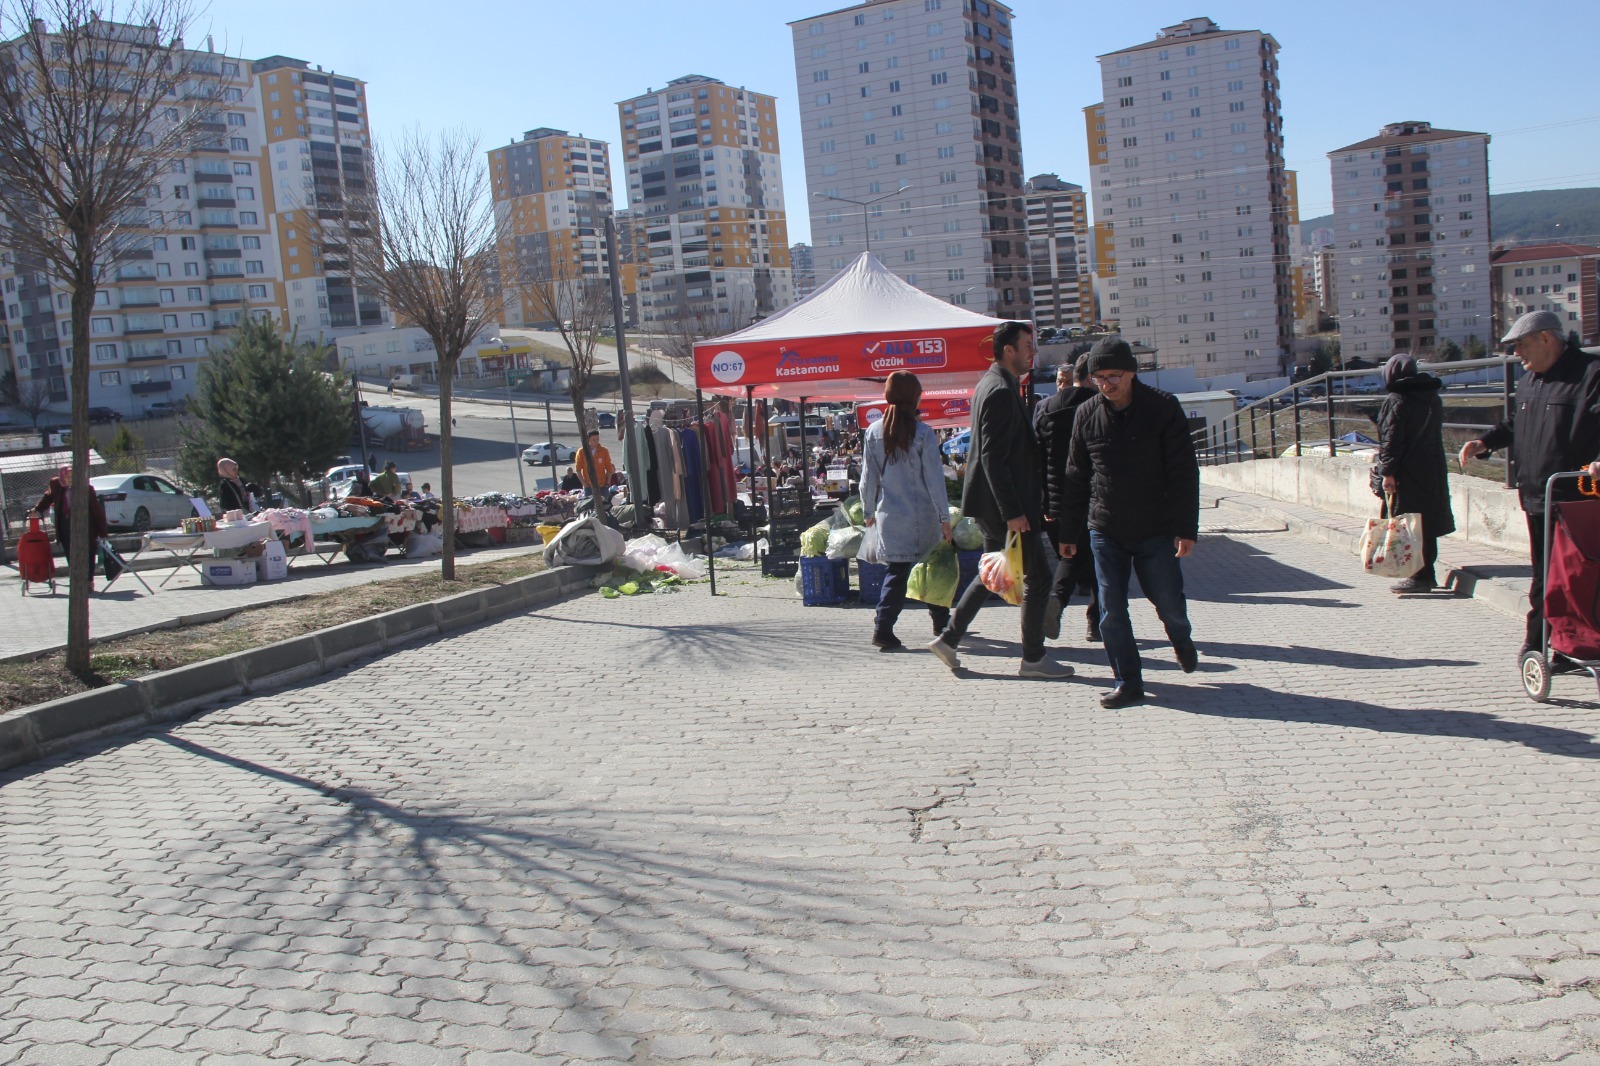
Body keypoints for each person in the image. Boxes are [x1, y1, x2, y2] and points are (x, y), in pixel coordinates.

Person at [927, 321, 1073, 679]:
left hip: (998, 505)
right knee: (1037, 579)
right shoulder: (998, 390)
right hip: (1005, 508)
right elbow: (993, 457)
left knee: (994, 573)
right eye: (1027, 346)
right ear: (1008, 350)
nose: (1032, 352)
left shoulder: (996, 384)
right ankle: (1034, 659)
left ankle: (948, 638)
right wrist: (1013, 511)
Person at [1061, 336, 1200, 708]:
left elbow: (1184, 472)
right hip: (1105, 529)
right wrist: (1068, 531)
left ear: (1132, 372)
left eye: (1114, 376)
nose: (1107, 384)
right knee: (1110, 609)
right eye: (1099, 378)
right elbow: (1075, 475)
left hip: (1156, 528)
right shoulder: (1087, 414)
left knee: (1169, 602)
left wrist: (1186, 529)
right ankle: (1128, 682)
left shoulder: (1163, 408)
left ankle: (1181, 639)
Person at [1459, 310, 1600, 653]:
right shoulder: (1529, 379)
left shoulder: (1589, 373)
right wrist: (1485, 442)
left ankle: (1565, 645)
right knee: (1543, 576)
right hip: (1536, 496)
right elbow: (1514, 424)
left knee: (1575, 578)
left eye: (1520, 345)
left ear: (1546, 339)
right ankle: (1542, 645)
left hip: (1574, 497)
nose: (1515, 354)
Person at [861, 371, 954, 651]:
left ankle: (883, 627)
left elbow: (868, 478)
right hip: (923, 517)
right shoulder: (923, 433)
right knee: (932, 570)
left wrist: (867, 511)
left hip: (891, 517)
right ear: (914, 396)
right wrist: (944, 518)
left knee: (897, 574)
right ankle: (942, 625)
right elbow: (934, 481)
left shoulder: (873, 432)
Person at [1372, 354, 1456, 593]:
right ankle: (1428, 573)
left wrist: (1388, 472)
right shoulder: (1432, 398)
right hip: (1432, 468)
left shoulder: (1397, 400)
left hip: (1407, 471)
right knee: (1426, 524)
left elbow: (1392, 440)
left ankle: (1419, 576)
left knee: (1408, 524)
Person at [1034, 355, 1101, 642]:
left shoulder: (1045, 407)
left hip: (1057, 498)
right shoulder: (1100, 405)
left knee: (1071, 552)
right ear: (1092, 377)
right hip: (1095, 495)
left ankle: (1058, 600)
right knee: (1100, 558)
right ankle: (1095, 622)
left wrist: (1042, 496)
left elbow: (1035, 456)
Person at [34, 465, 108, 566]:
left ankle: (89, 580)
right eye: (67, 477)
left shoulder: (86, 489)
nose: (71, 479)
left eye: (73, 476)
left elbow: (97, 511)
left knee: (88, 558)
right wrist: (37, 509)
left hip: (84, 528)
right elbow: (48, 498)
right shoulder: (56, 486)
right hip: (66, 528)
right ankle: (76, 579)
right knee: (72, 559)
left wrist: (103, 533)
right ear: (61, 477)